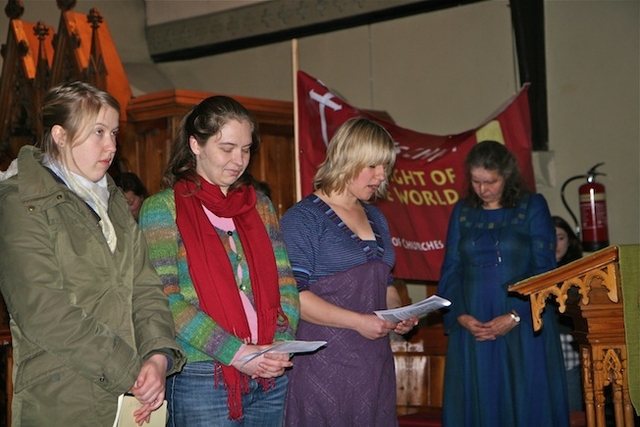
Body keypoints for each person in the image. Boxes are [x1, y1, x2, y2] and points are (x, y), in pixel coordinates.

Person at [0, 81, 186, 426]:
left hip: (131, 392)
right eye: (98, 132)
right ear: (60, 135)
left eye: (114, 133)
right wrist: (132, 371)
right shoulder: (20, 202)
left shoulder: (113, 201)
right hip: (63, 394)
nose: (112, 145)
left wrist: (157, 357)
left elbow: (146, 289)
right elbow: (44, 310)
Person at [138, 95, 299, 426]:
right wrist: (237, 354)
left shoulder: (260, 206)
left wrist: (280, 344)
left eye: (246, 149)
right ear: (196, 145)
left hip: (269, 374)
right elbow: (165, 300)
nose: (239, 160)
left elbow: (286, 284)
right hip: (202, 375)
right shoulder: (162, 209)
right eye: (227, 148)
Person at [281, 117, 417, 427]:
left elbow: (386, 283)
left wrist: (398, 314)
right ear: (347, 159)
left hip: (374, 365)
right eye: (373, 166)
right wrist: (359, 322)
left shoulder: (376, 217)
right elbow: (294, 297)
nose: (381, 176)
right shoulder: (303, 219)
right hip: (324, 367)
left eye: (385, 167)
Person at [437, 140, 569, 427]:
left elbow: (545, 270)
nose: (483, 189)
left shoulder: (532, 206)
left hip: (523, 325)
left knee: (526, 406)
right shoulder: (462, 211)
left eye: (491, 181)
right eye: (476, 181)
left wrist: (514, 315)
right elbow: (451, 269)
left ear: (506, 176)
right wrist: (460, 315)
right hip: (473, 328)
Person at [553, 215, 584, 412]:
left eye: (561, 237)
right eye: (550, 236)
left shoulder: (578, 271)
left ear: (570, 240)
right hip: (536, 346)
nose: (555, 243)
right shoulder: (528, 270)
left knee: (573, 412)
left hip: (569, 348)